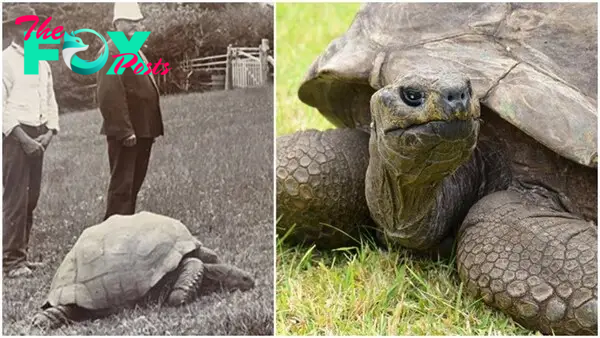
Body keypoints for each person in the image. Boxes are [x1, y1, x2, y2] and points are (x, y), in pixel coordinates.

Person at [3, 5, 60, 278]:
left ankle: (21, 254)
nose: (30, 30)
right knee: (15, 197)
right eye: (24, 25)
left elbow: (49, 100)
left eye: (33, 25)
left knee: (31, 198)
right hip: (15, 137)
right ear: (13, 29)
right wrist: (23, 139)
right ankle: (11, 261)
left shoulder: (40, 61)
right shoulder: (5, 61)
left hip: (39, 134)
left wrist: (50, 132)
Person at [96, 2, 164, 220]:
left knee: (132, 186)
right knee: (122, 189)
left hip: (143, 129)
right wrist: (125, 131)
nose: (136, 26)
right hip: (128, 132)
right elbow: (109, 95)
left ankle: (125, 232)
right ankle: (112, 237)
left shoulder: (131, 48)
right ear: (117, 24)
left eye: (138, 21)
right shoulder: (111, 50)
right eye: (129, 22)